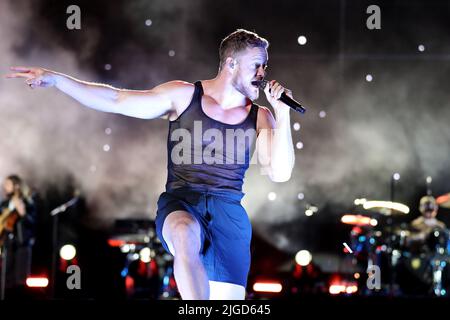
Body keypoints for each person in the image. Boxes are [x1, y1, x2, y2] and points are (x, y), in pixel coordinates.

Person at [6, 29, 295, 300]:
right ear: (231, 63)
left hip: (229, 215)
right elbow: (117, 99)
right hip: (183, 202)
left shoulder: (261, 117)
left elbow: (280, 173)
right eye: (256, 65)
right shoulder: (184, 96)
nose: (262, 74)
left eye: (264, 68)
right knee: (183, 232)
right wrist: (59, 80)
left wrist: (283, 115)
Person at [0, 174, 36, 295]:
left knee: (20, 279)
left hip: (22, 244)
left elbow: (32, 223)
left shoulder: (27, 202)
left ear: (16, 186)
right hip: (7, 243)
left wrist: (23, 213)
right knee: (6, 276)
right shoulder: (4, 204)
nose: (5, 186)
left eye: (8, 184)